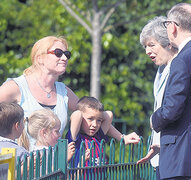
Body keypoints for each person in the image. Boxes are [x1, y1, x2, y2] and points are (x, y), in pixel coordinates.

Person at [0, 36, 140, 150]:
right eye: (58, 53)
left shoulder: (63, 92)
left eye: (67, 54)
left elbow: (94, 115)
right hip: (23, 166)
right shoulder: (16, 87)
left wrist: (122, 137)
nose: (65, 58)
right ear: (39, 58)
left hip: (55, 168)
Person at [151, 3, 191, 179]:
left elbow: (171, 110)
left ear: (173, 27)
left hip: (181, 161)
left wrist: (154, 120)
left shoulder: (182, 61)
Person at [137, 16, 178, 180]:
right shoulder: (160, 71)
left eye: (152, 45)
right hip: (161, 156)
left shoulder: (179, 68)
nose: (147, 51)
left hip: (175, 158)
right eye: (145, 46)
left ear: (168, 43)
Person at [66, 96, 113, 168]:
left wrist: (96, 114)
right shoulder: (76, 138)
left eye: (99, 120)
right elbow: (77, 114)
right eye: (90, 119)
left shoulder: (98, 136)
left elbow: (109, 114)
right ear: (81, 119)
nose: (95, 125)